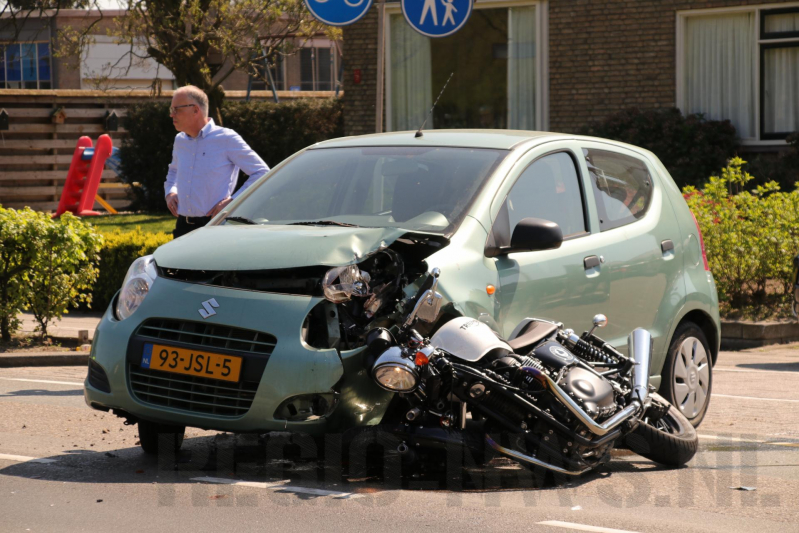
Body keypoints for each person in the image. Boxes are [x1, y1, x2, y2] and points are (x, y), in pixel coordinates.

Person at [164, 86, 269, 238]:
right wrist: (170, 192)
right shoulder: (180, 140)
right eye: (171, 109)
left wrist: (232, 202)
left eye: (176, 109)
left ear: (195, 110)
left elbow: (262, 172)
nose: (171, 115)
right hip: (182, 226)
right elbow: (174, 171)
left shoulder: (226, 138)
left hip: (215, 225)